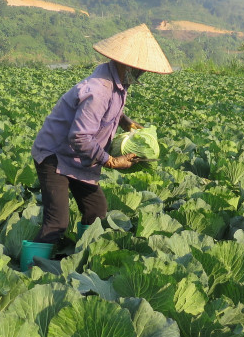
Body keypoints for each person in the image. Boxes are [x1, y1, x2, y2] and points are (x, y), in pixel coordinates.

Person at [30, 24, 174, 245]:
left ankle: (83, 257)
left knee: (96, 210)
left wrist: (125, 122)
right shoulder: (99, 90)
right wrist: (111, 161)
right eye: (139, 68)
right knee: (57, 222)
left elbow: (109, 111)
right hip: (55, 156)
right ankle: (29, 274)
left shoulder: (117, 82)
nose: (142, 73)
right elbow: (79, 137)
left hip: (80, 157)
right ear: (127, 65)